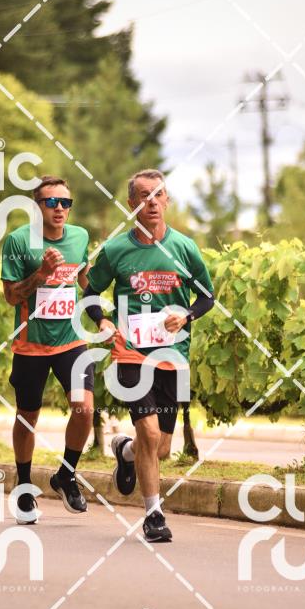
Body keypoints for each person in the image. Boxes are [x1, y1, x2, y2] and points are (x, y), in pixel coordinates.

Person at [84, 169, 214, 543]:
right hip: (131, 355)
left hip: (173, 357)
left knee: (162, 448)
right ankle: (154, 516)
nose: (152, 201)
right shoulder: (116, 251)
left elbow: (207, 297)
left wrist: (186, 315)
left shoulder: (184, 248)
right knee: (150, 432)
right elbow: (90, 293)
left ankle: (125, 451)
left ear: (167, 200)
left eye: (158, 194)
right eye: (144, 196)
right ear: (132, 204)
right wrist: (103, 320)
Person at [1, 176, 94, 523]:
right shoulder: (18, 241)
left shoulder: (80, 237)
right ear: (36, 206)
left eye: (65, 203)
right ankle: (24, 487)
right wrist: (41, 273)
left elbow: (85, 279)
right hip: (31, 345)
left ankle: (66, 475)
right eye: (51, 202)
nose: (59, 208)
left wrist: (106, 309)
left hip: (71, 340)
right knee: (28, 417)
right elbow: (11, 296)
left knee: (84, 409)